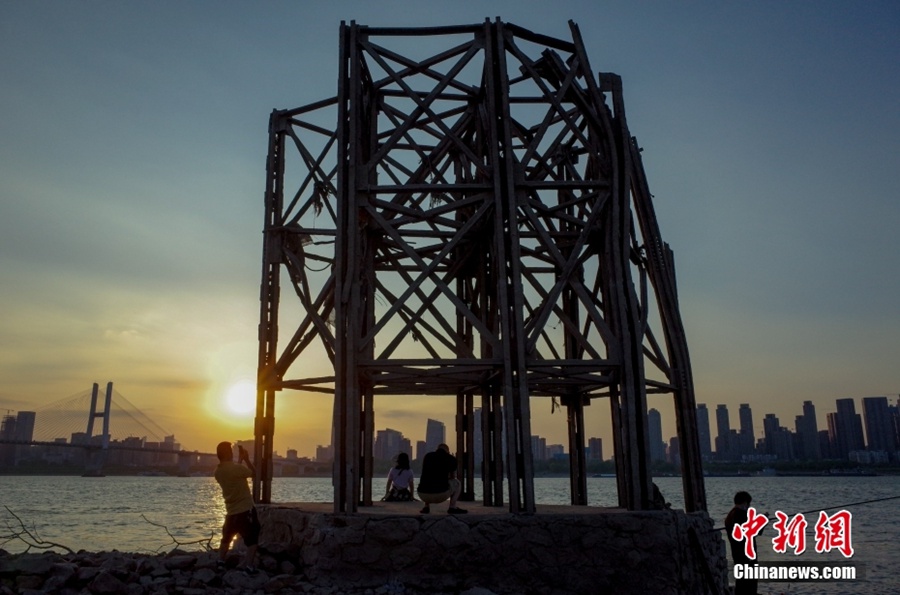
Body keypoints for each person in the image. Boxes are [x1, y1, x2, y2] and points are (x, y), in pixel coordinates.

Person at [214, 441, 261, 572]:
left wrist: (239, 460)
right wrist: (246, 459)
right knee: (253, 537)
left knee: (226, 538)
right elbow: (254, 473)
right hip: (246, 509)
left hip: (231, 511)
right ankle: (249, 566)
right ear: (229, 453)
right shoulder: (236, 469)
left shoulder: (218, 472)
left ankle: (220, 561)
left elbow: (235, 473)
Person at [416, 443, 467, 514]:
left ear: (437, 449)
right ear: (448, 452)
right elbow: (452, 477)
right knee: (457, 483)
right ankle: (452, 507)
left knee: (427, 481)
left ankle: (426, 507)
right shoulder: (451, 459)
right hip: (440, 494)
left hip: (423, 495)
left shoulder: (428, 456)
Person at [725, 490, 758, 595]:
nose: (749, 506)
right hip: (747, 555)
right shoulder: (741, 514)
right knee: (749, 584)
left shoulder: (730, 515)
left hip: (737, 554)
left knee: (741, 583)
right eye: (748, 503)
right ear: (744, 502)